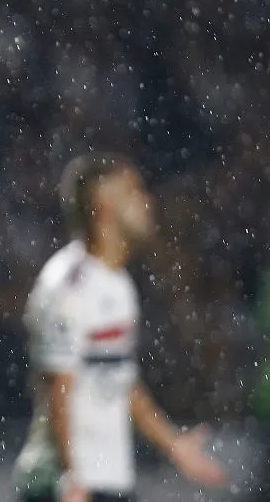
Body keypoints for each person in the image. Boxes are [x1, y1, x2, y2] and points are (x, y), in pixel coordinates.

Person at [13, 154, 228, 502]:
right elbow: (58, 387)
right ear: (105, 204)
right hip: (66, 485)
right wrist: (72, 477)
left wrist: (173, 444)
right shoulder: (68, 284)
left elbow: (121, 380)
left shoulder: (119, 286)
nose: (147, 200)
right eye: (133, 190)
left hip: (107, 479)